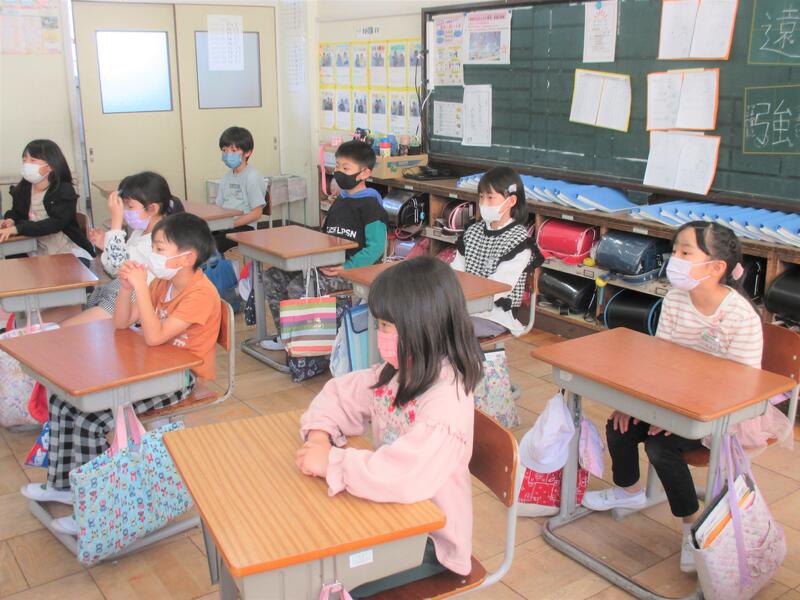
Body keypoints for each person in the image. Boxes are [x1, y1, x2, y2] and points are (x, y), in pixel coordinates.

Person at [581, 221, 791, 573]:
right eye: (675, 250)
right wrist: (641, 404)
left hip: (723, 412)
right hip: (675, 397)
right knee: (620, 424)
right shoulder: (676, 298)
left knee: (661, 447)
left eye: (685, 252)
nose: (673, 259)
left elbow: (740, 387)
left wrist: (679, 415)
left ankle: (692, 527)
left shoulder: (740, 316)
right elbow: (661, 359)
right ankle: (629, 491)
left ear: (716, 267)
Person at [20, 213, 221, 536]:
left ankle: (94, 508)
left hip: (179, 378)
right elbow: (122, 323)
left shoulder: (200, 294)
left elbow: (154, 336)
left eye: (160, 248)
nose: (153, 254)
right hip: (150, 368)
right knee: (62, 401)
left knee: (91, 418)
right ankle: (64, 485)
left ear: (187, 257)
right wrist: (128, 289)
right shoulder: (163, 283)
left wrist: (141, 285)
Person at [296, 257, 484, 598]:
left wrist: (333, 463)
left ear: (422, 326)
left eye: (385, 325)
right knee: (310, 549)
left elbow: (404, 477)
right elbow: (339, 395)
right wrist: (320, 437)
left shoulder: (446, 403)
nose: (378, 334)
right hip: (390, 513)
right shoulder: (401, 372)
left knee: (321, 581)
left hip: (431, 541)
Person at [261, 140, 388, 352]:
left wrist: (346, 268)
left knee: (298, 288)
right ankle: (287, 337)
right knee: (272, 277)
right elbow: (325, 236)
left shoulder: (372, 207)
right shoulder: (340, 200)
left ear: (365, 173)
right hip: (325, 264)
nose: (339, 172)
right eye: (337, 166)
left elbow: (375, 250)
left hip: (351, 272)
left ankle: (306, 350)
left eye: (346, 168)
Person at [61, 171, 183, 326]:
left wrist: (116, 222)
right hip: (120, 290)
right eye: (123, 205)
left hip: (134, 299)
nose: (125, 211)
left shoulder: (161, 239)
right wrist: (106, 244)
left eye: (130, 206)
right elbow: (118, 264)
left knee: (64, 328)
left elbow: (116, 265)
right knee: (62, 319)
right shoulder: (140, 231)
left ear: (152, 208)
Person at [451, 167, 542, 337]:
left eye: (490, 197)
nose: (484, 203)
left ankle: (464, 355)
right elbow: (456, 272)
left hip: (496, 315)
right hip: (463, 307)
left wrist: (461, 303)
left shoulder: (518, 240)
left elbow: (500, 288)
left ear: (511, 201)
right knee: (424, 319)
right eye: (481, 197)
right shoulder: (473, 232)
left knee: (446, 328)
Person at [0, 139, 94, 264]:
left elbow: (55, 223)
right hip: (34, 249)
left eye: (32, 160)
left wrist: (17, 229)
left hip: (66, 249)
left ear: (50, 166)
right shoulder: (24, 188)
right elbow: (17, 212)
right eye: (24, 160)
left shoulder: (63, 190)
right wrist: (11, 220)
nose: (26, 164)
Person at [213, 126, 267, 254]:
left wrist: (232, 224)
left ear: (247, 152)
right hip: (226, 225)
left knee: (208, 246)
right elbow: (219, 206)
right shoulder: (226, 176)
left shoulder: (252, 176)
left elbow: (256, 213)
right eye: (224, 150)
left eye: (233, 150)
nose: (227, 155)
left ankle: (221, 266)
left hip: (245, 228)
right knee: (195, 239)